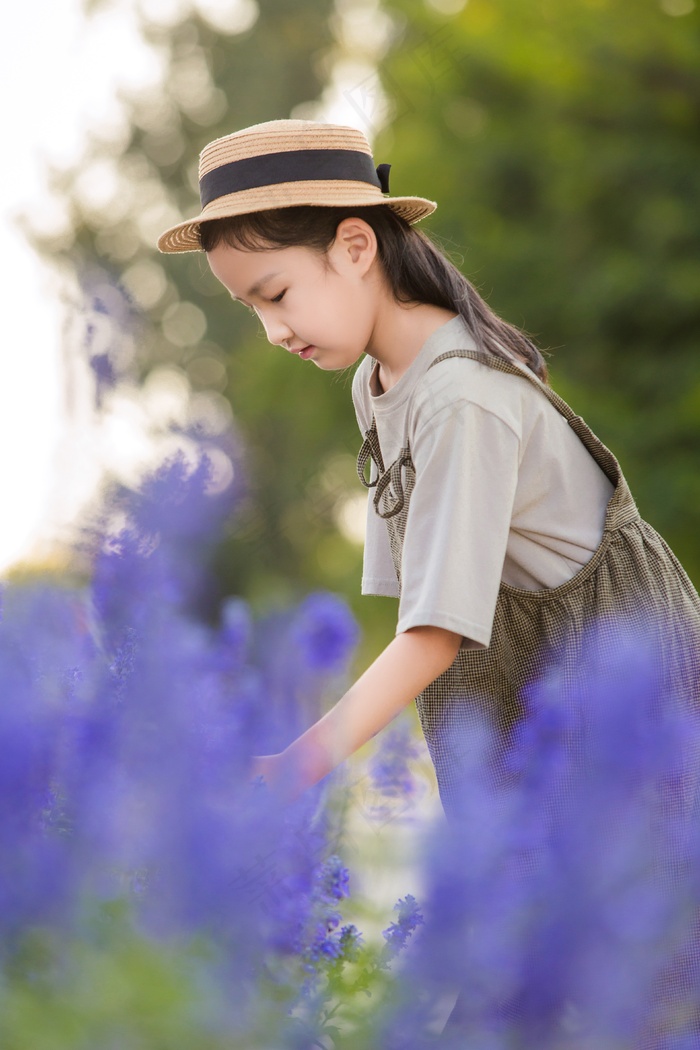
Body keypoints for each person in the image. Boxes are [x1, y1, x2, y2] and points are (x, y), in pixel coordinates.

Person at [158, 118, 700, 1036]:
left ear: (355, 246)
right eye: (250, 308)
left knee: (645, 982)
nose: (272, 329)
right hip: (534, 701)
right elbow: (422, 606)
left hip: (630, 693)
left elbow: (435, 632)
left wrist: (296, 764)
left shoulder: (462, 395)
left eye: (276, 293)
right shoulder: (379, 387)